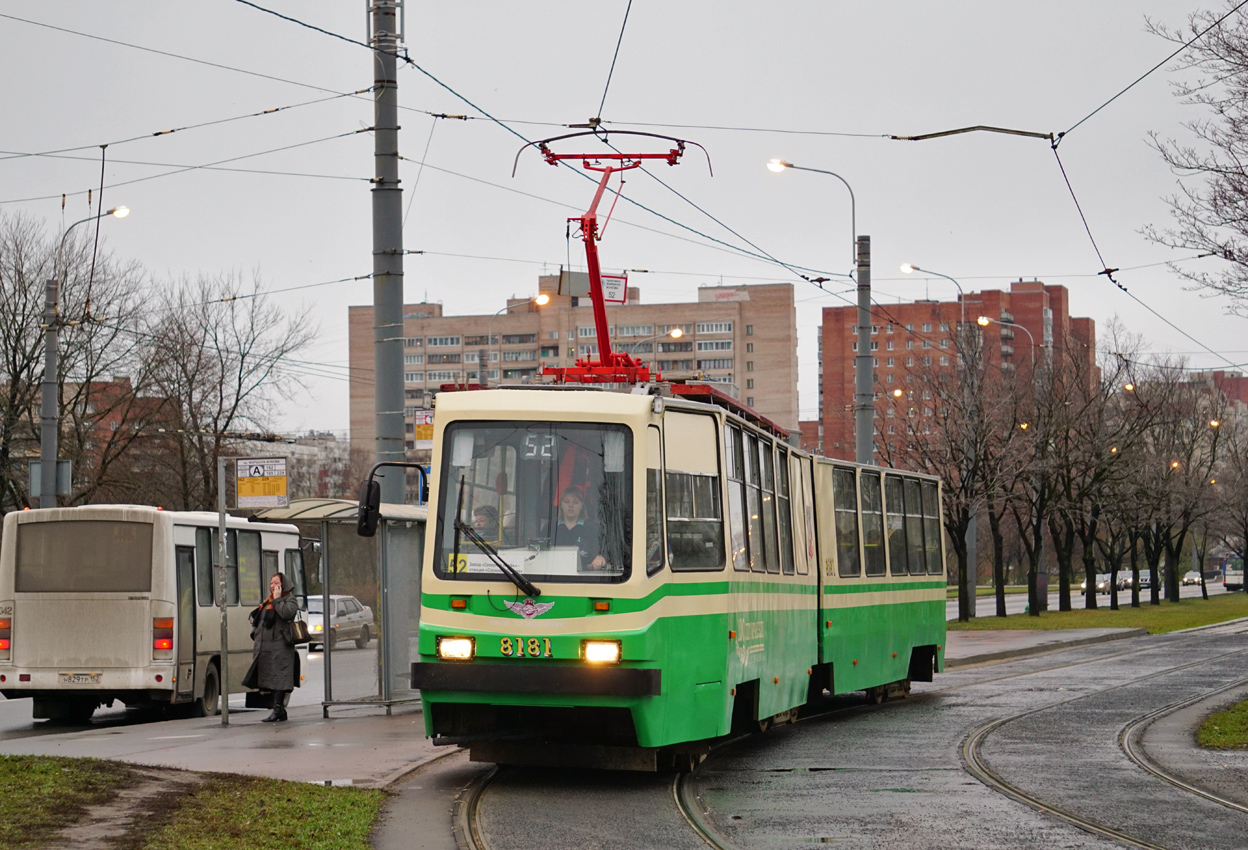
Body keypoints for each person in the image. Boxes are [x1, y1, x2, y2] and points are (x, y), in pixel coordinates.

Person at [248, 572, 300, 722]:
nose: (273, 586)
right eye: (271, 583)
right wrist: (255, 635)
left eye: (276, 583)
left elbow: (286, 614)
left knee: (280, 678)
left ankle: (278, 709)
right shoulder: (267, 601)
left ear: (284, 584)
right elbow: (259, 620)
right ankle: (279, 710)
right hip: (265, 647)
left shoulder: (289, 600)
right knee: (270, 677)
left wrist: (277, 599)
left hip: (281, 646)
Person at [552, 487, 606, 570]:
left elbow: (601, 552)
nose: (570, 505)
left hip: (584, 578)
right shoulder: (550, 529)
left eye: (575, 502)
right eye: (566, 502)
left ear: (581, 506)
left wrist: (600, 557)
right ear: (561, 505)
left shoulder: (592, 528)